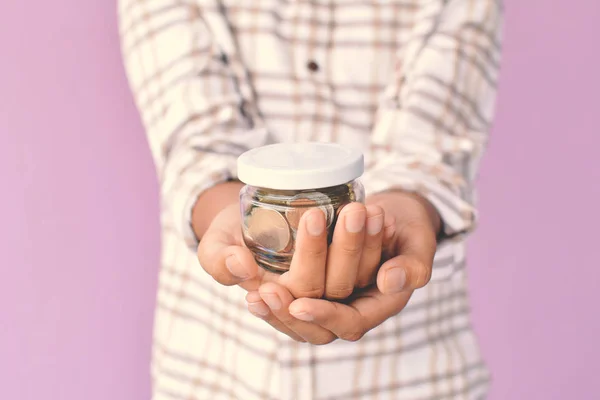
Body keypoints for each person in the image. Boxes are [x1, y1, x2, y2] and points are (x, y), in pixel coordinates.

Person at [118, 0, 503, 398]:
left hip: (415, 373)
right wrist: (224, 213)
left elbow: (431, 138)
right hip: (216, 370)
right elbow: (195, 138)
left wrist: (408, 207)